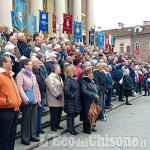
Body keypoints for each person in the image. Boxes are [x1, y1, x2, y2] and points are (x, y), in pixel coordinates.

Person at [15, 59, 41, 145]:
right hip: (27, 100)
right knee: (26, 120)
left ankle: (32, 135)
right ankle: (25, 138)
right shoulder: (20, 75)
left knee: (33, 119)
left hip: (34, 99)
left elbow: (36, 87)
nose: (32, 66)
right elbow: (19, 88)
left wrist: (38, 98)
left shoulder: (32, 74)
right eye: (30, 64)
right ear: (25, 66)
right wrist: (25, 99)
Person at [0, 54, 22, 150]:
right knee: (3, 137)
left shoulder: (10, 75)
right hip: (5, 111)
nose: (12, 64)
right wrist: (6, 102)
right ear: (4, 63)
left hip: (14, 110)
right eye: (10, 62)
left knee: (11, 137)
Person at [46, 64, 64, 131]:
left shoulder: (59, 77)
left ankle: (57, 124)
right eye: (59, 68)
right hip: (54, 98)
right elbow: (52, 87)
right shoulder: (51, 77)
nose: (60, 70)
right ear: (55, 69)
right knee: (54, 113)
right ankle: (53, 126)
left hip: (60, 98)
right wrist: (58, 95)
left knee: (59, 112)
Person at [64, 65, 82, 135]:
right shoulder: (68, 79)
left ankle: (72, 128)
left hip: (75, 100)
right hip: (70, 100)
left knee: (73, 115)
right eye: (74, 70)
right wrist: (73, 95)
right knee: (70, 115)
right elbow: (66, 90)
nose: (76, 71)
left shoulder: (74, 79)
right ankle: (69, 129)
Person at [81, 67, 99, 134]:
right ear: (88, 73)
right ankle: (86, 129)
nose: (92, 73)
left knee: (92, 113)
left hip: (93, 100)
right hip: (87, 100)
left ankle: (91, 126)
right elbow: (84, 91)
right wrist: (93, 94)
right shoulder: (84, 81)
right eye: (91, 72)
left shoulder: (92, 80)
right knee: (87, 115)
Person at [32, 58, 45, 136]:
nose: (39, 64)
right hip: (36, 96)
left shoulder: (39, 71)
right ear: (33, 64)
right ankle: (36, 130)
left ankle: (39, 128)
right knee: (36, 114)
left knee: (40, 113)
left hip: (42, 95)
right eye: (38, 63)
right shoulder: (32, 73)